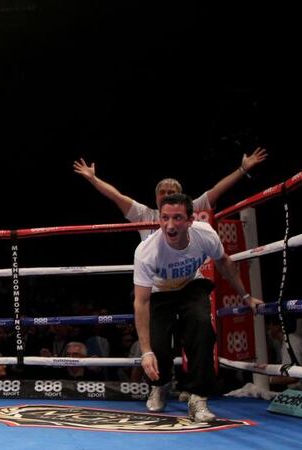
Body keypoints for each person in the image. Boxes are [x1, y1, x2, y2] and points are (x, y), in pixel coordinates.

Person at [133, 193, 263, 422]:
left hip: (192, 285)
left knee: (202, 328)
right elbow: (141, 301)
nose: (170, 225)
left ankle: (198, 396)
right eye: (165, 218)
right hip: (159, 292)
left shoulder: (205, 234)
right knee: (158, 345)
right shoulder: (147, 251)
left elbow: (224, 262)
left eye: (177, 218)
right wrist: (146, 351)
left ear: (190, 220)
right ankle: (159, 385)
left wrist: (246, 296)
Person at [73, 147, 267, 240]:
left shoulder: (191, 209)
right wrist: (93, 179)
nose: (167, 195)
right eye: (163, 192)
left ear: (181, 196)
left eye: (171, 192)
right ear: (156, 197)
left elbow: (216, 191)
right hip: (156, 281)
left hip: (185, 278)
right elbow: (116, 196)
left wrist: (242, 170)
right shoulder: (145, 215)